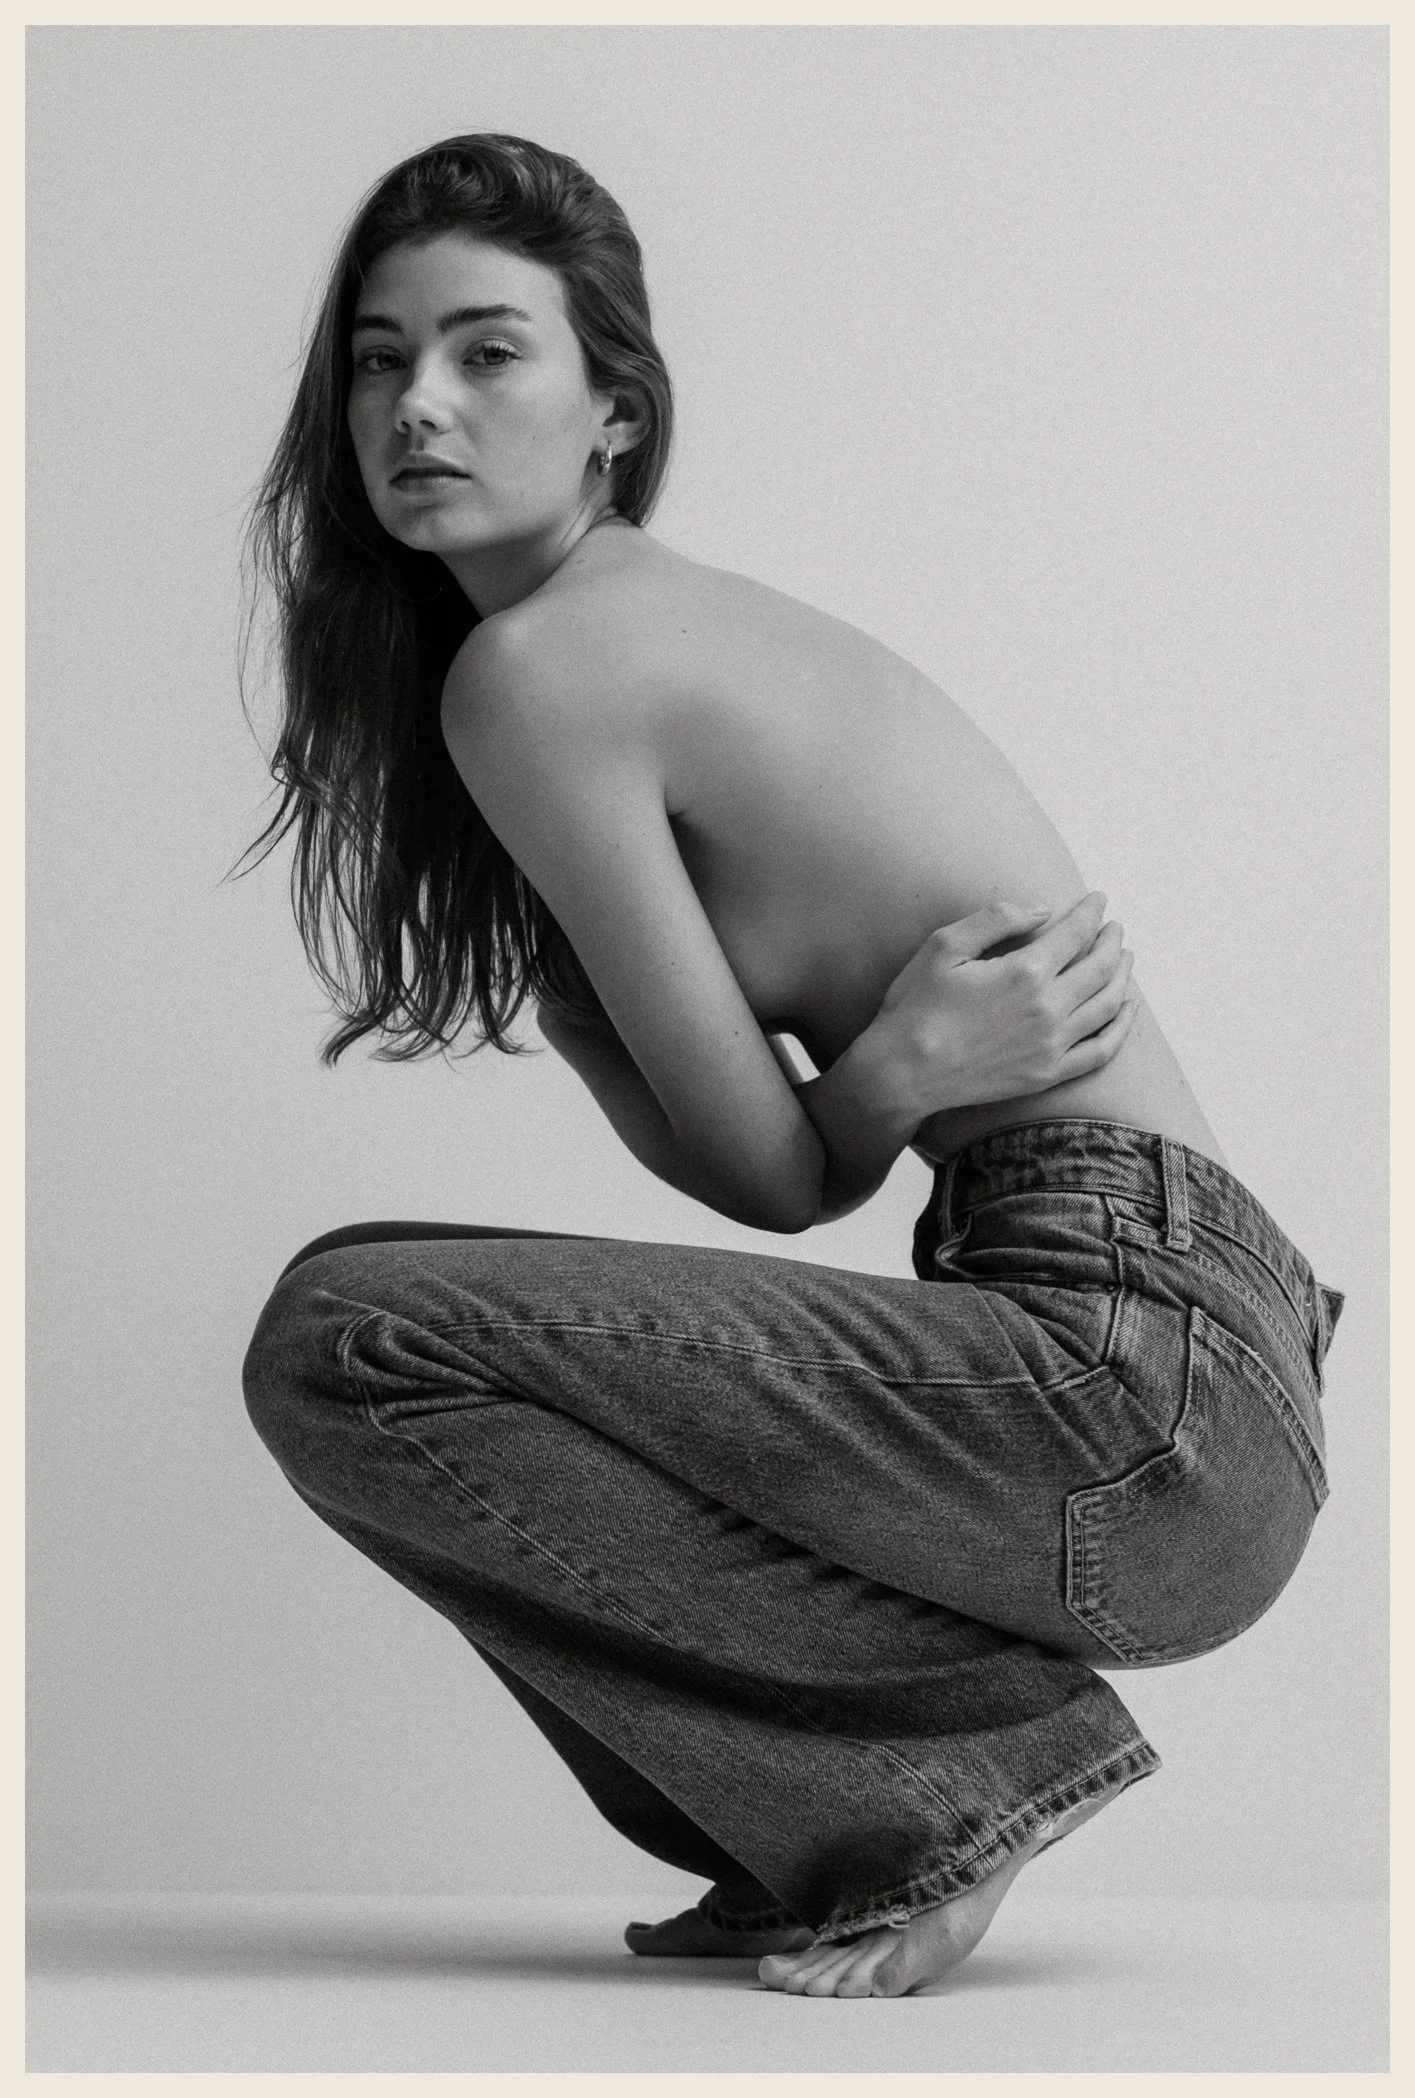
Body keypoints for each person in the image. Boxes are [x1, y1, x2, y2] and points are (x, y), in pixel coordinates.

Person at [241, 134, 1341, 2000]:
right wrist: (893, 1069)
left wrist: (893, 1071)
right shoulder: (576, 659)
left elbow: (784, 1166)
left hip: (1126, 1382)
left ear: (612, 410)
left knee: (349, 1336)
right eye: (375, 356)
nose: (415, 403)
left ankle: (944, 1781)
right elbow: (785, 1175)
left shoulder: (547, 669)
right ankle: (881, 1797)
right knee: (362, 1301)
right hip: (1191, 1394)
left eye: (486, 350)